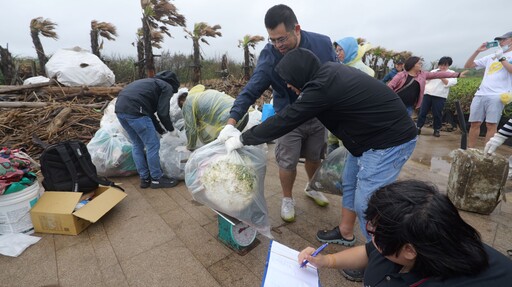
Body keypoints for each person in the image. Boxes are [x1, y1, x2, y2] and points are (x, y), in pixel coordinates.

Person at [219, 48, 417, 281]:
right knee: (350, 183)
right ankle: (345, 232)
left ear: (299, 74)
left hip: (389, 141)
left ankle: (382, 258)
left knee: (368, 204)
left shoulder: (321, 87)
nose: (291, 87)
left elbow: (287, 119)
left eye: (290, 82)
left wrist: (242, 138)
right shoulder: (327, 74)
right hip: (367, 140)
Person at [226, 4, 337, 222]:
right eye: (273, 39)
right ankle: (287, 198)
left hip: (318, 114)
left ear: (297, 29)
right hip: (288, 116)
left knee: (315, 156)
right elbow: (252, 89)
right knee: (288, 160)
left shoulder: (322, 44)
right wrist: (231, 123)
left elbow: (336, 77)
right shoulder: (270, 55)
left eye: (282, 39)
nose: (278, 45)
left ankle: (312, 187)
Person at [298, 180, 512, 286]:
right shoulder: (417, 233)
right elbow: (368, 251)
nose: (372, 239)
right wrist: (326, 261)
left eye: (376, 235)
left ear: (409, 251)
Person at [115, 70, 180, 189]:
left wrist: (161, 131)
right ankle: (156, 178)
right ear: (173, 84)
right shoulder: (166, 86)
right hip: (136, 111)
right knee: (153, 145)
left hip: (120, 110)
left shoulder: (150, 83)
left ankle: (145, 179)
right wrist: (171, 129)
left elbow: (150, 114)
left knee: (137, 144)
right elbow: (162, 113)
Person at [464, 31, 512, 148]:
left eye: (503, 39)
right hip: (481, 93)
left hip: (497, 95)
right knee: (474, 123)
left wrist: (502, 58)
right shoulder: (492, 56)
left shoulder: (504, 55)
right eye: (500, 40)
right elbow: (468, 66)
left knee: (491, 125)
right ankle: (470, 151)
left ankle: (486, 154)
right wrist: (477, 51)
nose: (500, 42)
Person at [327, 37, 375, 154]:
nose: (338, 54)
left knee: (346, 155)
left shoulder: (364, 71)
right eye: (336, 51)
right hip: (337, 121)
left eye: (340, 50)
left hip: (352, 121)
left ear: (350, 50)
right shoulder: (339, 67)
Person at [387, 56, 466, 117]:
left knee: (403, 125)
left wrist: (457, 74)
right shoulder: (401, 75)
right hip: (396, 104)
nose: (421, 64)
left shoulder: (423, 75)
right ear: (412, 65)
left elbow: (439, 74)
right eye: (419, 63)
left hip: (409, 106)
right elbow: (389, 87)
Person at [177, 85, 249, 151]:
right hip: (243, 114)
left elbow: (190, 129)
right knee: (232, 145)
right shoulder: (201, 96)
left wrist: (189, 147)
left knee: (222, 148)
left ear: (182, 101)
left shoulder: (187, 103)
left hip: (230, 118)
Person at [416, 57, 458, 137]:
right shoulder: (433, 71)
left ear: (448, 65)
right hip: (427, 94)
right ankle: (418, 127)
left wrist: (441, 76)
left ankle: (437, 130)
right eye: (441, 65)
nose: (442, 67)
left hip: (440, 96)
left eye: (445, 65)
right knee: (422, 112)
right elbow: (426, 81)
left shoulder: (451, 73)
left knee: (437, 114)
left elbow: (448, 83)